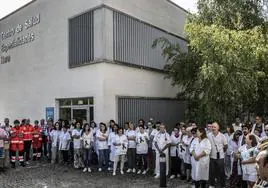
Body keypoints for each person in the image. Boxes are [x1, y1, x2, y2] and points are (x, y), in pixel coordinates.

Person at [207, 122, 228, 188]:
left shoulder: (222, 135)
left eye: (215, 127)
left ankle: (223, 185)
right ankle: (211, 184)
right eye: (212, 127)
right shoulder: (208, 135)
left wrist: (221, 151)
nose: (213, 128)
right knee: (212, 171)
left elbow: (226, 145)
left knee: (221, 172)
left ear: (218, 128)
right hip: (211, 156)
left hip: (220, 157)